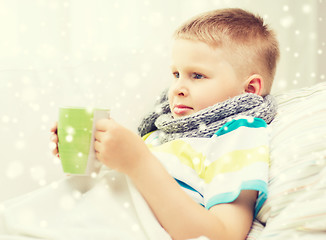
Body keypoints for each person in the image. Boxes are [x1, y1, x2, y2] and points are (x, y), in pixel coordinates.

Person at [50, 8, 280, 240]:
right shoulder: (160, 134)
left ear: (249, 89)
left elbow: (224, 234)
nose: (178, 88)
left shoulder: (238, 134)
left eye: (197, 75)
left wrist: (138, 161)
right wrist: (93, 156)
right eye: (176, 74)